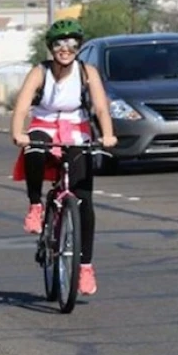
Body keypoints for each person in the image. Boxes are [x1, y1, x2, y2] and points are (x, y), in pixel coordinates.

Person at [8, 18, 117, 296]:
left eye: (71, 44)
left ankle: (86, 267)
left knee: (84, 201)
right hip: (43, 126)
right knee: (33, 148)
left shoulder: (87, 72)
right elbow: (21, 107)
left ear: (78, 47)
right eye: (59, 44)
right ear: (51, 47)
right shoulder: (39, 73)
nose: (65, 49)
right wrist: (18, 132)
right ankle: (35, 206)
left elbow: (102, 108)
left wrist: (107, 135)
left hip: (76, 130)